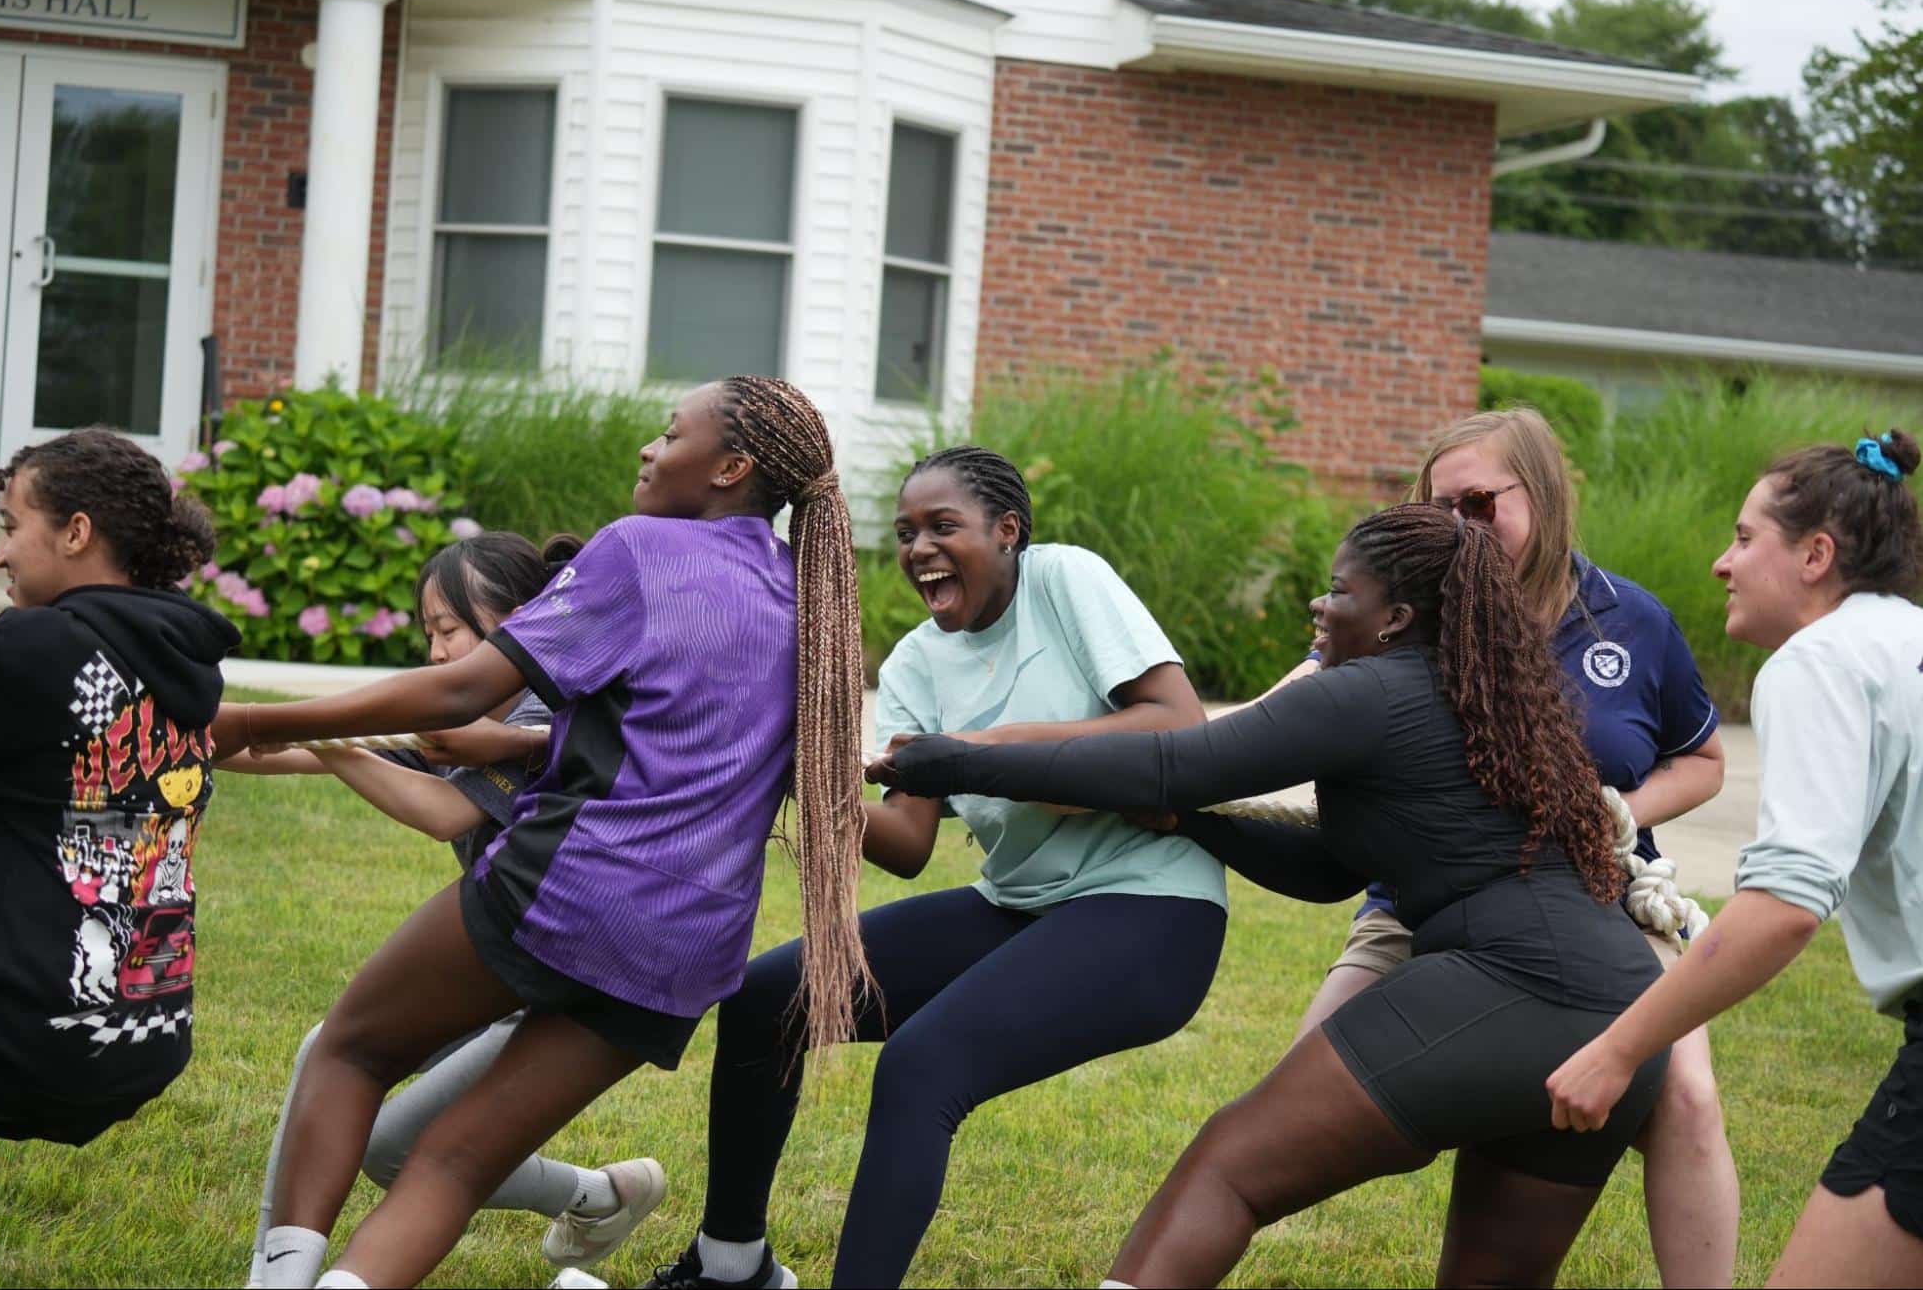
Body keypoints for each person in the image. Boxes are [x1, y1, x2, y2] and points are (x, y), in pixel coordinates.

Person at [875, 502, 1671, 1288]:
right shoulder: (1478, 698)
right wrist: (1193, 823)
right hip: (1619, 1015)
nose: (1319, 606)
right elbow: (1329, 870)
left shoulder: (1360, 692)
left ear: (1394, 616)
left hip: (1513, 984)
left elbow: (1170, 760)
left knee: (1226, 1168)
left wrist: (959, 761)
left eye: (1339, 590)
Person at [211, 376, 869, 1290]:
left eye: (669, 433)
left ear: (730, 467)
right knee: (453, 1163)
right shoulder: (814, 611)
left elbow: (456, 690)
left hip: (568, 891)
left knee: (348, 1050)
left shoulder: (642, 549)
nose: (648, 448)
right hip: (687, 951)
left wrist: (255, 719)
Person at [645, 446, 1226, 1290]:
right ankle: (731, 1267)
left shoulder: (1063, 580)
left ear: (1007, 531)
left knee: (922, 1063)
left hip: (1151, 906)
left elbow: (1173, 723)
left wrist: (977, 751)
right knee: (768, 998)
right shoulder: (917, 659)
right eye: (905, 532)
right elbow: (908, 843)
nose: (918, 547)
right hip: (1018, 904)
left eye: (942, 526)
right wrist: (806, 772)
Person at [1288, 407, 1738, 1286]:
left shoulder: (1630, 621)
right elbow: (1291, 704)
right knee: (1298, 1096)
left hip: (1604, 899)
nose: (1458, 527)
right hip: (1419, 903)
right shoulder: (1408, 614)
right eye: (1436, 509)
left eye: (1478, 503)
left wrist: (1612, 807)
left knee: (1684, 1098)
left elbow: (1705, 760)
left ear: (1543, 493)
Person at [1549, 430, 1923, 1289]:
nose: (1723, 562)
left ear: (1815, 555)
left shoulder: (1819, 661)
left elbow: (1783, 907)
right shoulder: (1902, 640)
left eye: (1745, 537)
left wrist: (1616, 1050)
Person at [234, 533, 659, 1287]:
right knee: (383, 1142)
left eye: (449, 630)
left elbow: (441, 812)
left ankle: (270, 1275)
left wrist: (318, 734)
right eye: (428, 633)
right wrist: (190, 728)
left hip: (541, 975)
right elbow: (287, 752)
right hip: (499, 974)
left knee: (334, 1062)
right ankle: (599, 1195)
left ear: (523, 623)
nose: (435, 653)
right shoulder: (457, 720)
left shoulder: (546, 715)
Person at [0, 429, 235, 1145]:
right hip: (137, 1037)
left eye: (10, 526)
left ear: (76, 532)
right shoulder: (178, 663)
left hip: (7, 1035)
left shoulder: (41, 652)